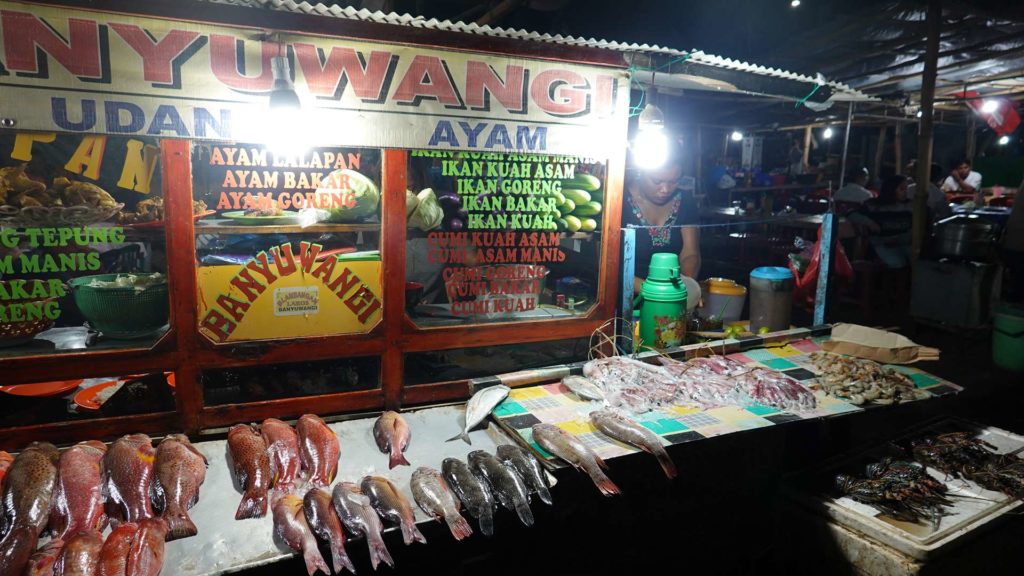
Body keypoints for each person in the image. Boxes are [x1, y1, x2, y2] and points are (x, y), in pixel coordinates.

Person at [623, 139, 700, 293]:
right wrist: (656, 292)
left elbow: (690, 252)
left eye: (673, 182)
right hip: (625, 296)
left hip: (671, 293)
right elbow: (609, 265)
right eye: (657, 181)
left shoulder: (685, 201)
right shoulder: (619, 201)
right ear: (641, 171)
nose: (665, 189)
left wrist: (686, 287)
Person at [850, 174, 914, 268]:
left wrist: (903, 238)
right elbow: (852, 215)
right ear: (891, 189)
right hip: (881, 243)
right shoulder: (873, 205)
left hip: (904, 243)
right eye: (902, 189)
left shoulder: (910, 205)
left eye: (906, 189)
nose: (905, 192)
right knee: (898, 263)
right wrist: (869, 222)